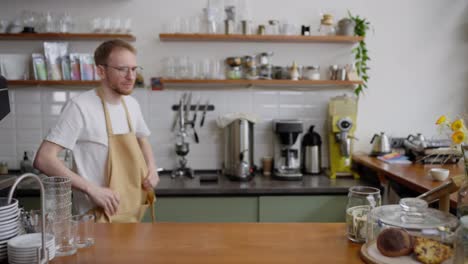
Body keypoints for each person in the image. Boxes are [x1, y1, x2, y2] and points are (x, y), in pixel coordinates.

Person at [34, 39, 159, 222]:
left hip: (132, 214)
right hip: (95, 219)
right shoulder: (79, 107)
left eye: (134, 69)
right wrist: (91, 189)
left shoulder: (132, 105)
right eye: (122, 69)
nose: (131, 76)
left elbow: (142, 139)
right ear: (101, 71)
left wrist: (152, 168)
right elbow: (44, 159)